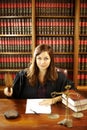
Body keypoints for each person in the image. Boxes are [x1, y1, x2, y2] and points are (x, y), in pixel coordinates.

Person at [4, 44, 74, 105]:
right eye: (39, 58)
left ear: (51, 60)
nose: (42, 62)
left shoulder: (59, 77)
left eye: (46, 58)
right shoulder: (22, 76)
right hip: (27, 114)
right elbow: (14, 96)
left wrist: (54, 100)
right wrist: (9, 93)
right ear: (35, 59)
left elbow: (71, 92)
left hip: (52, 114)